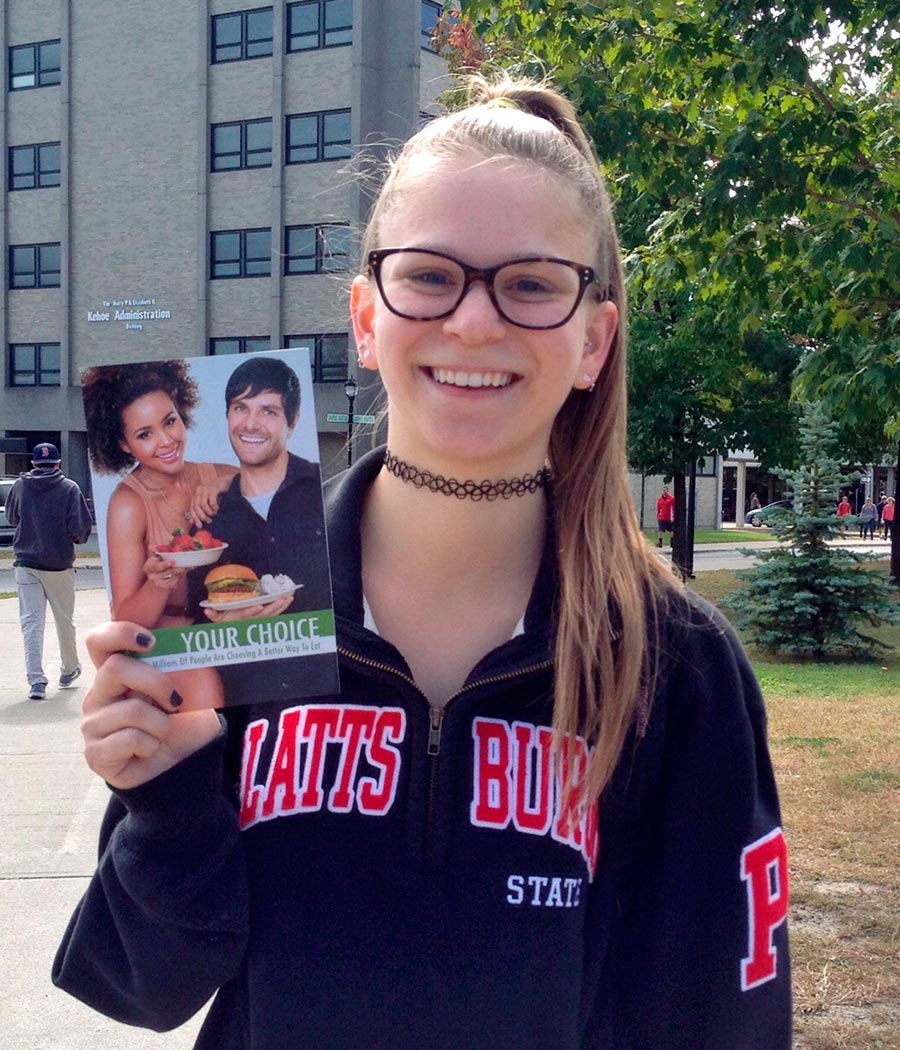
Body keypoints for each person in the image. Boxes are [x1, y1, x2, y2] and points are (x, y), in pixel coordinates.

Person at [54, 75, 791, 1049]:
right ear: (366, 318)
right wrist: (165, 793)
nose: (475, 322)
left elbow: (717, 1023)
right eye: (430, 275)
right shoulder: (227, 591)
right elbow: (148, 988)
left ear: (592, 339)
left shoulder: (677, 663)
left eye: (531, 282)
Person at [187, 354, 336, 702]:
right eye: (241, 408)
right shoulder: (207, 517)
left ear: (293, 421)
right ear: (227, 416)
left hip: (323, 706)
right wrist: (222, 627)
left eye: (268, 411)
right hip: (242, 710)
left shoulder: (326, 491)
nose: (250, 424)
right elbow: (194, 620)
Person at [81, 360, 237, 631]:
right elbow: (125, 620)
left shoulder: (220, 474)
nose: (165, 440)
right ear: (124, 444)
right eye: (145, 434)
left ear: (181, 413)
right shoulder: (128, 504)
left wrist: (229, 483)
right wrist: (158, 583)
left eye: (169, 421)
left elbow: (282, 492)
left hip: (228, 633)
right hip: (170, 640)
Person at [6, 442, 93, 700]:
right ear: (58, 464)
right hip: (58, 564)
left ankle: (36, 682)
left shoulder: (20, 486)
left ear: (33, 464)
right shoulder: (69, 488)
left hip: (26, 563)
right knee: (64, 620)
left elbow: (12, 519)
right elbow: (80, 531)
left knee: (31, 624)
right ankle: (68, 669)